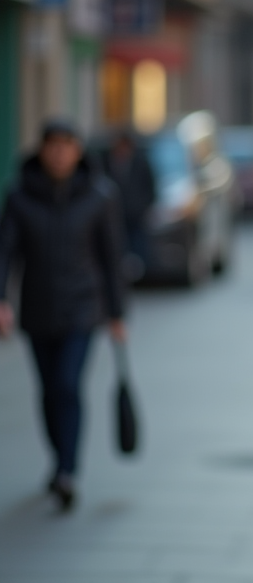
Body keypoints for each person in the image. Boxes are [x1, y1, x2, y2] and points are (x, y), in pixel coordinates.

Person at [0, 119, 127, 511]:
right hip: (37, 309)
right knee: (48, 390)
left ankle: (67, 470)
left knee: (68, 385)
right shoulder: (20, 197)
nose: (59, 153)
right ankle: (59, 459)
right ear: (41, 150)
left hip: (82, 309)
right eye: (52, 145)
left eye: (66, 145)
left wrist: (117, 314)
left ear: (78, 151)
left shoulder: (99, 196)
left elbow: (112, 259)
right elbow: (5, 254)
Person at [99, 128, 157, 279]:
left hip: (136, 216)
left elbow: (150, 187)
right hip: (116, 216)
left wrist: (143, 207)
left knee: (138, 248)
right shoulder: (106, 162)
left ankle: (139, 273)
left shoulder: (140, 162)